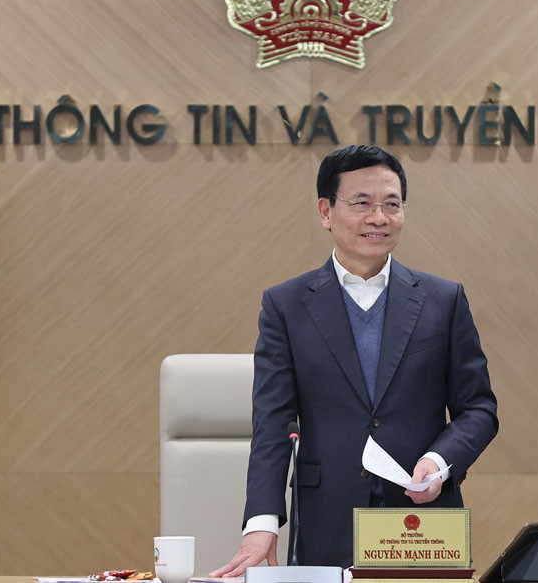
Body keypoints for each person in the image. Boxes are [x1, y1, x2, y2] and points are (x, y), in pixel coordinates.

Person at [211, 145, 498, 574]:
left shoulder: (444, 300)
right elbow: (273, 422)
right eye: (362, 203)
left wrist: (440, 462)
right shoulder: (286, 306)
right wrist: (261, 522)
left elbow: (478, 409)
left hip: (422, 523)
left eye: (392, 204)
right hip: (327, 522)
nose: (379, 217)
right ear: (326, 211)